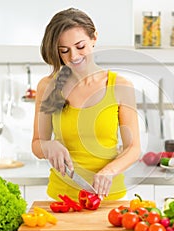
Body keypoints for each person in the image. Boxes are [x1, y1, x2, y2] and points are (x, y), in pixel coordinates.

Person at [32, 8, 141, 200]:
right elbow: (37, 144)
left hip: (108, 197)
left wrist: (109, 170)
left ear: (94, 38)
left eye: (80, 46)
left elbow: (133, 149)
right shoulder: (49, 86)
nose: (73, 56)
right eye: (64, 51)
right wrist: (48, 146)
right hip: (62, 198)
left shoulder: (119, 86)